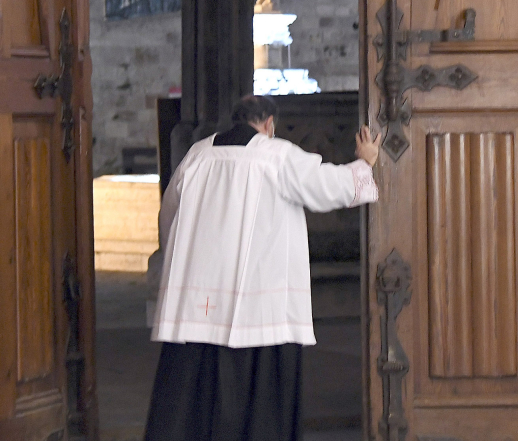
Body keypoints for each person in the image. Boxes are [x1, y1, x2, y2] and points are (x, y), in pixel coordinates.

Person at [144, 94, 382, 441]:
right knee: (260, 395)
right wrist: (364, 162)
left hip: (200, 301)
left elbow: (170, 214)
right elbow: (328, 187)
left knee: (195, 391)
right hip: (260, 301)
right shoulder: (277, 155)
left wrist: (180, 263)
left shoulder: (197, 155)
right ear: (269, 124)